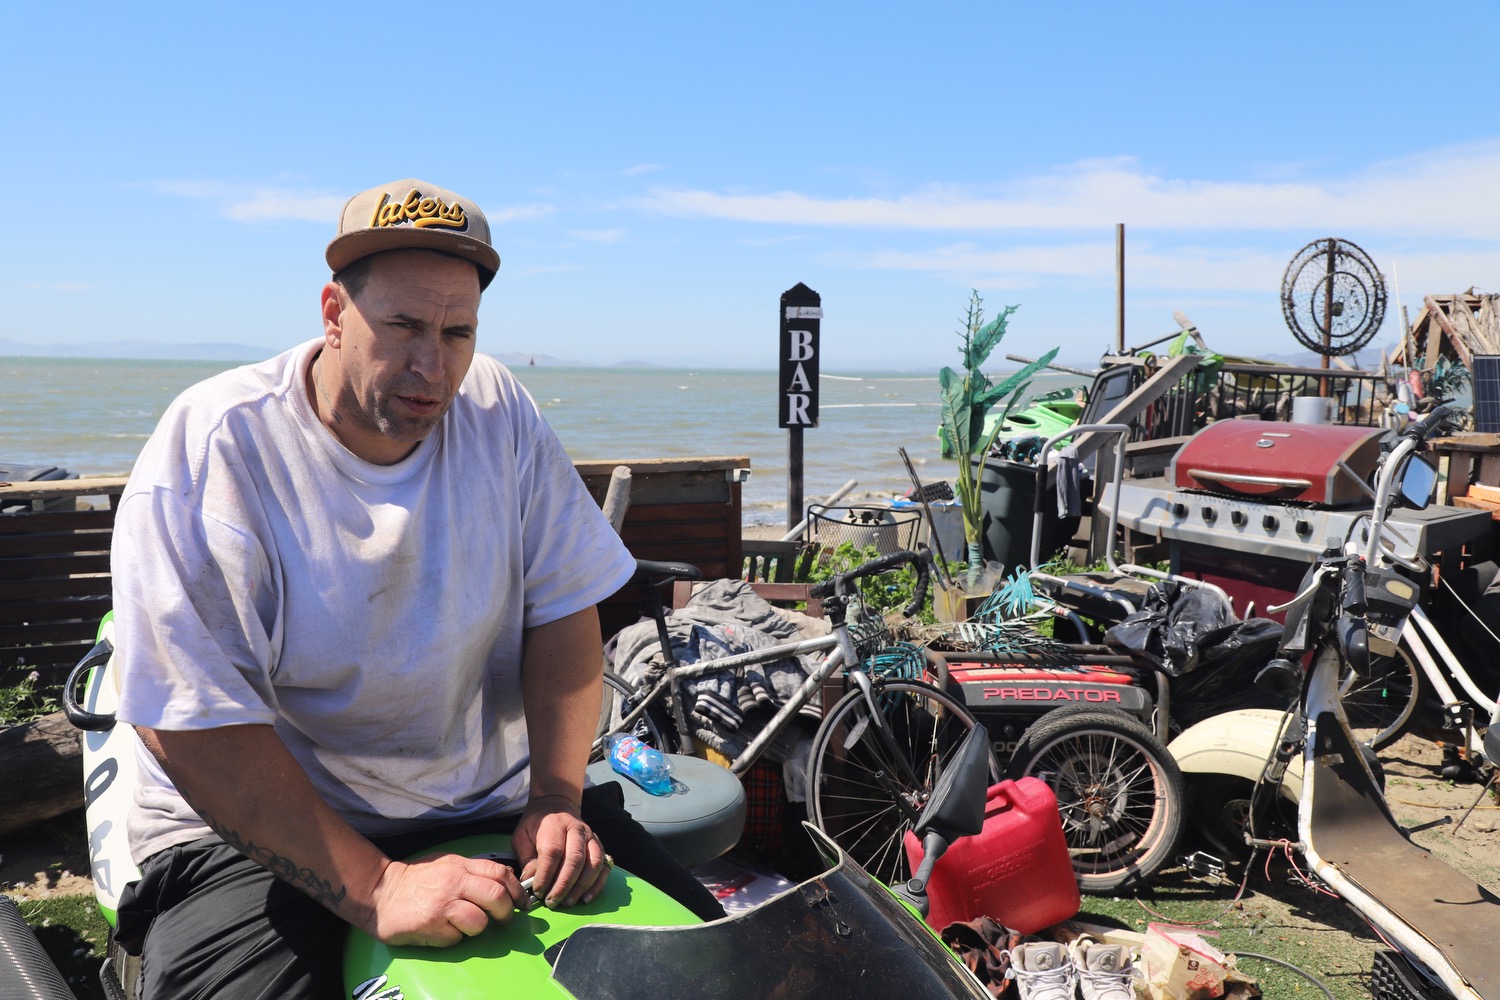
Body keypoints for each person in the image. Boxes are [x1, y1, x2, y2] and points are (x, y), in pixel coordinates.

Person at [109, 178, 723, 998]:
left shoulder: (500, 411)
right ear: (334, 312)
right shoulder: (218, 446)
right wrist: (376, 887)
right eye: (401, 326)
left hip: (486, 804)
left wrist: (553, 794)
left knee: (724, 966)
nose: (433, 365)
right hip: (252, 837)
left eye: (457, 331)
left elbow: (565, 613)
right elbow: (188, 723)